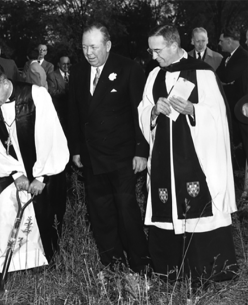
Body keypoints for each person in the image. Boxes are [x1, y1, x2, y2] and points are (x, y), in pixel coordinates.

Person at [139, 25, 238, 283]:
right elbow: (142, 110)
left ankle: (209, 271)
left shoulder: (202, 73)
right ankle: (170, 271)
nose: (153, 56)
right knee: (166, 208)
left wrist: (193, 109)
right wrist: (153, 111)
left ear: (174, 45)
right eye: (151, 50)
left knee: (199, 209)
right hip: (164, 159)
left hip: (195, 157)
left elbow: (218, 114)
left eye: (157, 50)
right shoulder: (153, 76)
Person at [0, 62, 68, 276]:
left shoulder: (36, 96)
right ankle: (11, 266)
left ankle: (43, 263)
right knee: (5, 214)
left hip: (41, 168)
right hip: (6, 170)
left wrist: (40, 176)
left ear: (4, 82)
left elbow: (49, 135)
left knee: (44, 218)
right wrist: (15, 173)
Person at [68, 22, 150, 273]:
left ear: (108, 45)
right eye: (84, 47)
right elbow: (74, 114)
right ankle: (112, 261)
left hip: (123, 155)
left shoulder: (129, 68)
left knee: (126, 210)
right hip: (92, 157)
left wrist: (141, 150)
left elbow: (141, 113)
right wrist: (76, 149)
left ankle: (140, 262)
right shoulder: (79, 73)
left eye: (93, 46)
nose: (88, 52)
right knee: (100, 211)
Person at [216, 27, 248, 170]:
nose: (219, 43)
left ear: (229, 41)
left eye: (221, 41)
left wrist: (226, 81)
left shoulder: (243, 56)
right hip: (231, 108)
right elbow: (218, 76)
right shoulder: (227, 58)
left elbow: (227, 77)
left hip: (242, 109)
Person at [47, 55, 71, 131]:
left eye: (68, 64)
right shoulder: (52, 75)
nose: (66, 66)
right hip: (59, 109)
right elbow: (52, 92)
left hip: (71, 110)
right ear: (58, 64)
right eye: (64, 64)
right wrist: (68, 92)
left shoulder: (72, 74)